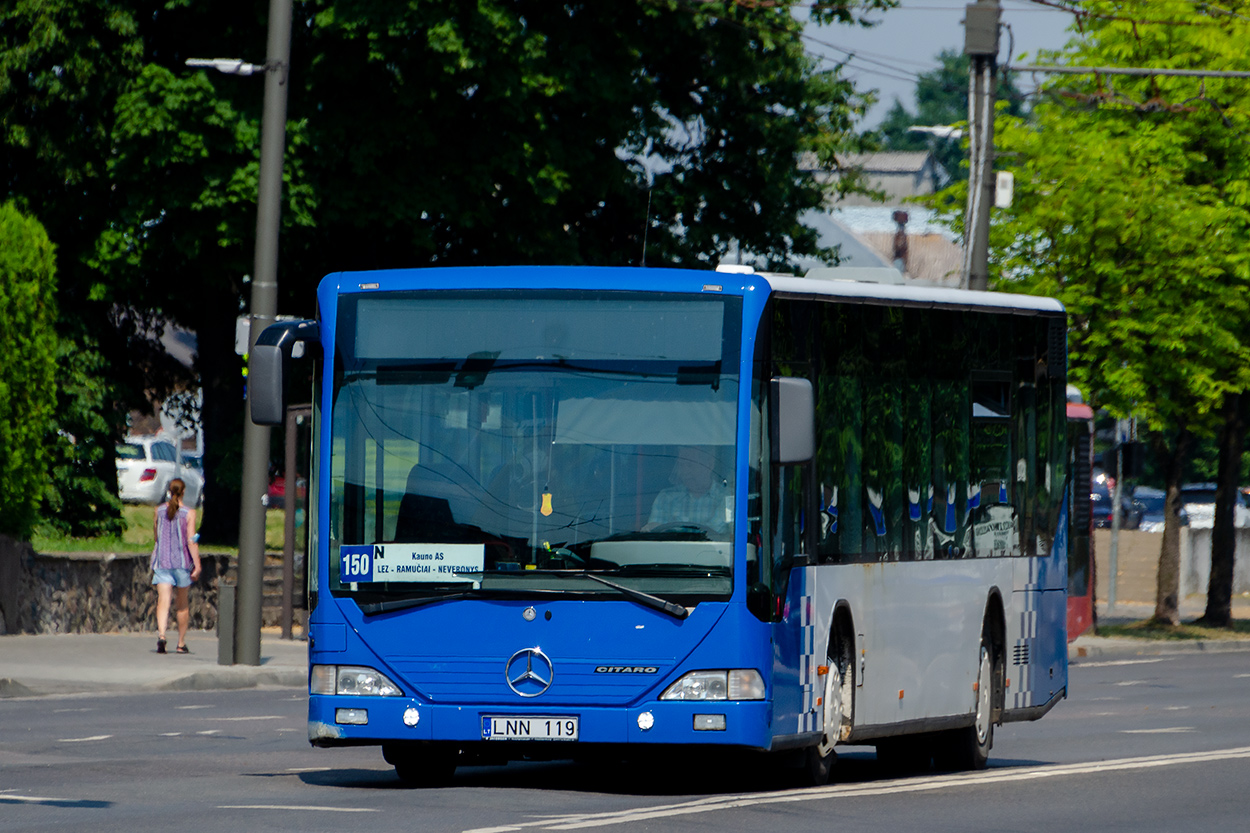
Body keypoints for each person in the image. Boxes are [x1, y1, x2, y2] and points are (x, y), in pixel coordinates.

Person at [151, 478, 202, 654]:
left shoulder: (159, 510)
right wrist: (197, 565)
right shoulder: (189, 513)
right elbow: (191, 541)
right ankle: (181, 643)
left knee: (163, 601)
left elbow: (156, 536)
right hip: (181, 563)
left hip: (162, 561)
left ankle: (162, 635)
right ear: (184, 491)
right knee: (182, 604)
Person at [646, 446, 730, 534]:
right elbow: (655, 535)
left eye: (690, 465)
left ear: (709, 464)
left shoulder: (727, 498)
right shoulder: (666, 497)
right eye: (681, 465)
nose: (684, 472)